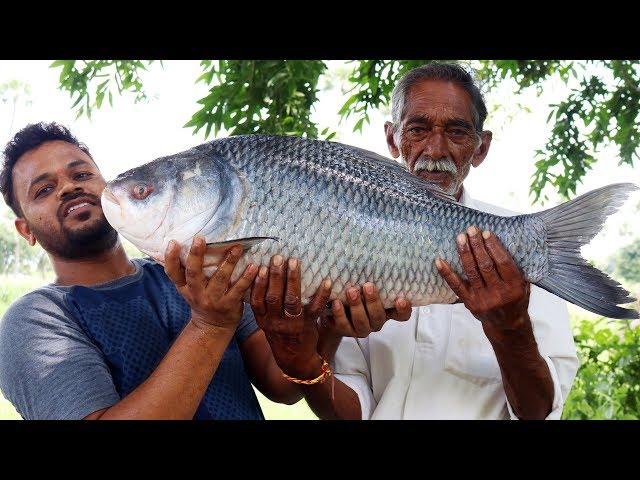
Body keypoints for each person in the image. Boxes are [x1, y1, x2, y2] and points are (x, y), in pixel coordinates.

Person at [252, 62, 579, 420]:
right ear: (393, 139)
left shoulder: (515, 250)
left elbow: (540, 413)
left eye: (456, 132)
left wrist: (511, 328)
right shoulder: (346, 239)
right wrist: (312, 353)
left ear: (480, 148)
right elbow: (353, 410)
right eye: (418, 130)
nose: (435, 150)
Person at [0, 122, 334, 419]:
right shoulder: (35, 319)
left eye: (81, 174)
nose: (68, 187)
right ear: (24, 229)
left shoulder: (198, 271)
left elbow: (282, 386)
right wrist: (211, 325)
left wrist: (331, 324)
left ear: (106, 186)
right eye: (43, 189)